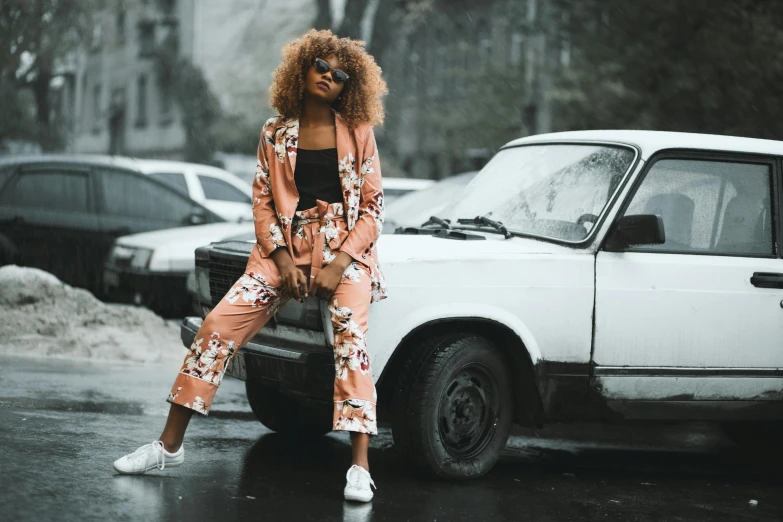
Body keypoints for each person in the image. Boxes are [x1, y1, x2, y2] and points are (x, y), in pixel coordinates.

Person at [113, 29, 389, 503]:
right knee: (216, 326)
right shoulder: (274, 132)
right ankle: (168, 446)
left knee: (351, 339)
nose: (328, 76)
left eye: (339, 74)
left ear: (350, 85)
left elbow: (372, 209)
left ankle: (360, 466)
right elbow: (262, 203)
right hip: (283, 250)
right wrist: (283, 260)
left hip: (346, 252)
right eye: (320, 66)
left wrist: (338, 262)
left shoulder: (358, 133)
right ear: (301, 69)